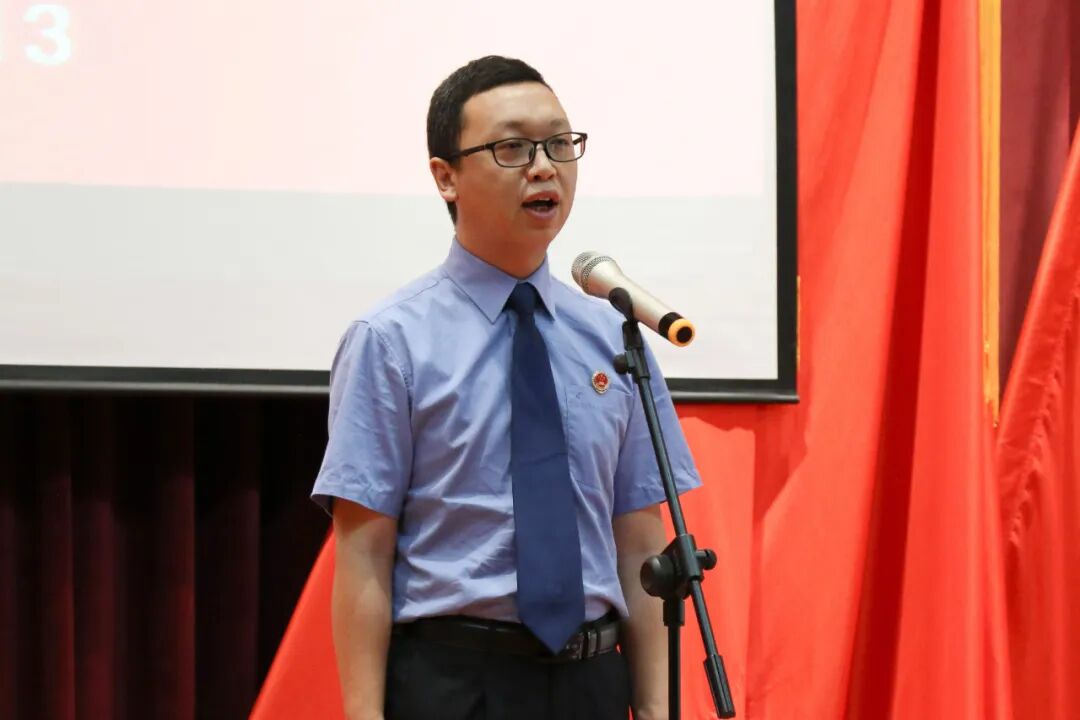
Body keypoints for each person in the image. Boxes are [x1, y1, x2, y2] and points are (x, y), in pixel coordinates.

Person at [312, 55, 701, 720]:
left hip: (590, 682)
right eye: (513, 148)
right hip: (454, 683)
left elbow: (639, 543)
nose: (544, 167)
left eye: (559, 143)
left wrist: (659, 711)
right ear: (446, 177)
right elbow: (364, 552)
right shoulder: (391, 340)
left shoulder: (614, 338)